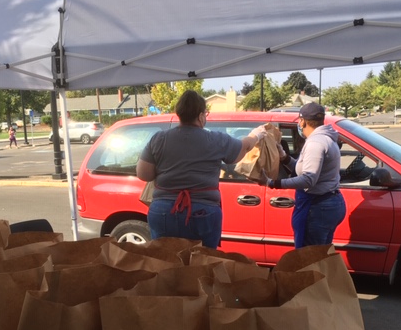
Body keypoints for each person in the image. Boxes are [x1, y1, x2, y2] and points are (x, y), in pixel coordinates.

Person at [136, 90, 267, 249]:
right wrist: (256, 136)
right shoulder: (216, 139)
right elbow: (241, 150)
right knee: (201, 264)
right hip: (202, 213)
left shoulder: (159, 138)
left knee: (165, 262)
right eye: (206, 113)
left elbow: (143, 174)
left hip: (163, 211)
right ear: (200, 116)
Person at [257, 102, 346, 248]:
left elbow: (308, 178)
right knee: (321, 255)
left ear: (303, 121)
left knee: (309, 258)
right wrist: (284, 157)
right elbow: (303, 169)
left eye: (300, 121)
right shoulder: (326, 138)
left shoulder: (316, 142)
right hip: (328, 203)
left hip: (317, 207)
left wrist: (272, 183)